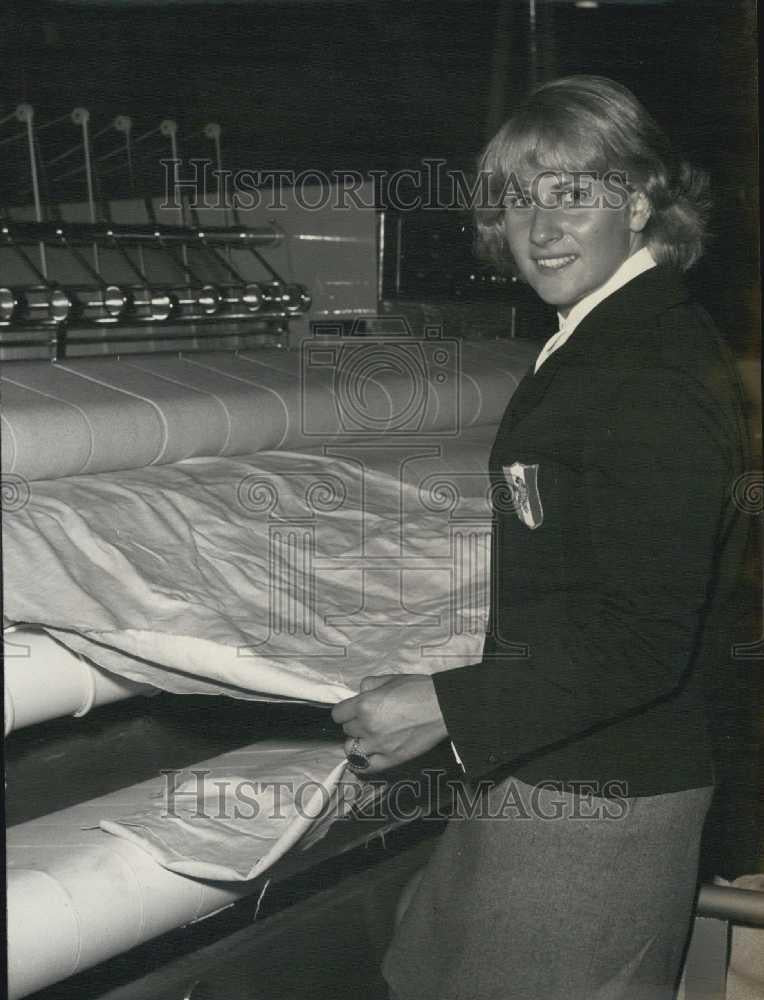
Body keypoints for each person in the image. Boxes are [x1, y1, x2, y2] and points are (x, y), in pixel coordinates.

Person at [332, 75, 749, 1000]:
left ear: (639, 203)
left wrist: (445, 706)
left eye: (575, 193)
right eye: (520, 199)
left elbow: (645, 640)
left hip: (605, 788)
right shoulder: (598, 340)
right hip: (552, 757)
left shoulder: (648, 374)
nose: (543, 225)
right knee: (423, 962)